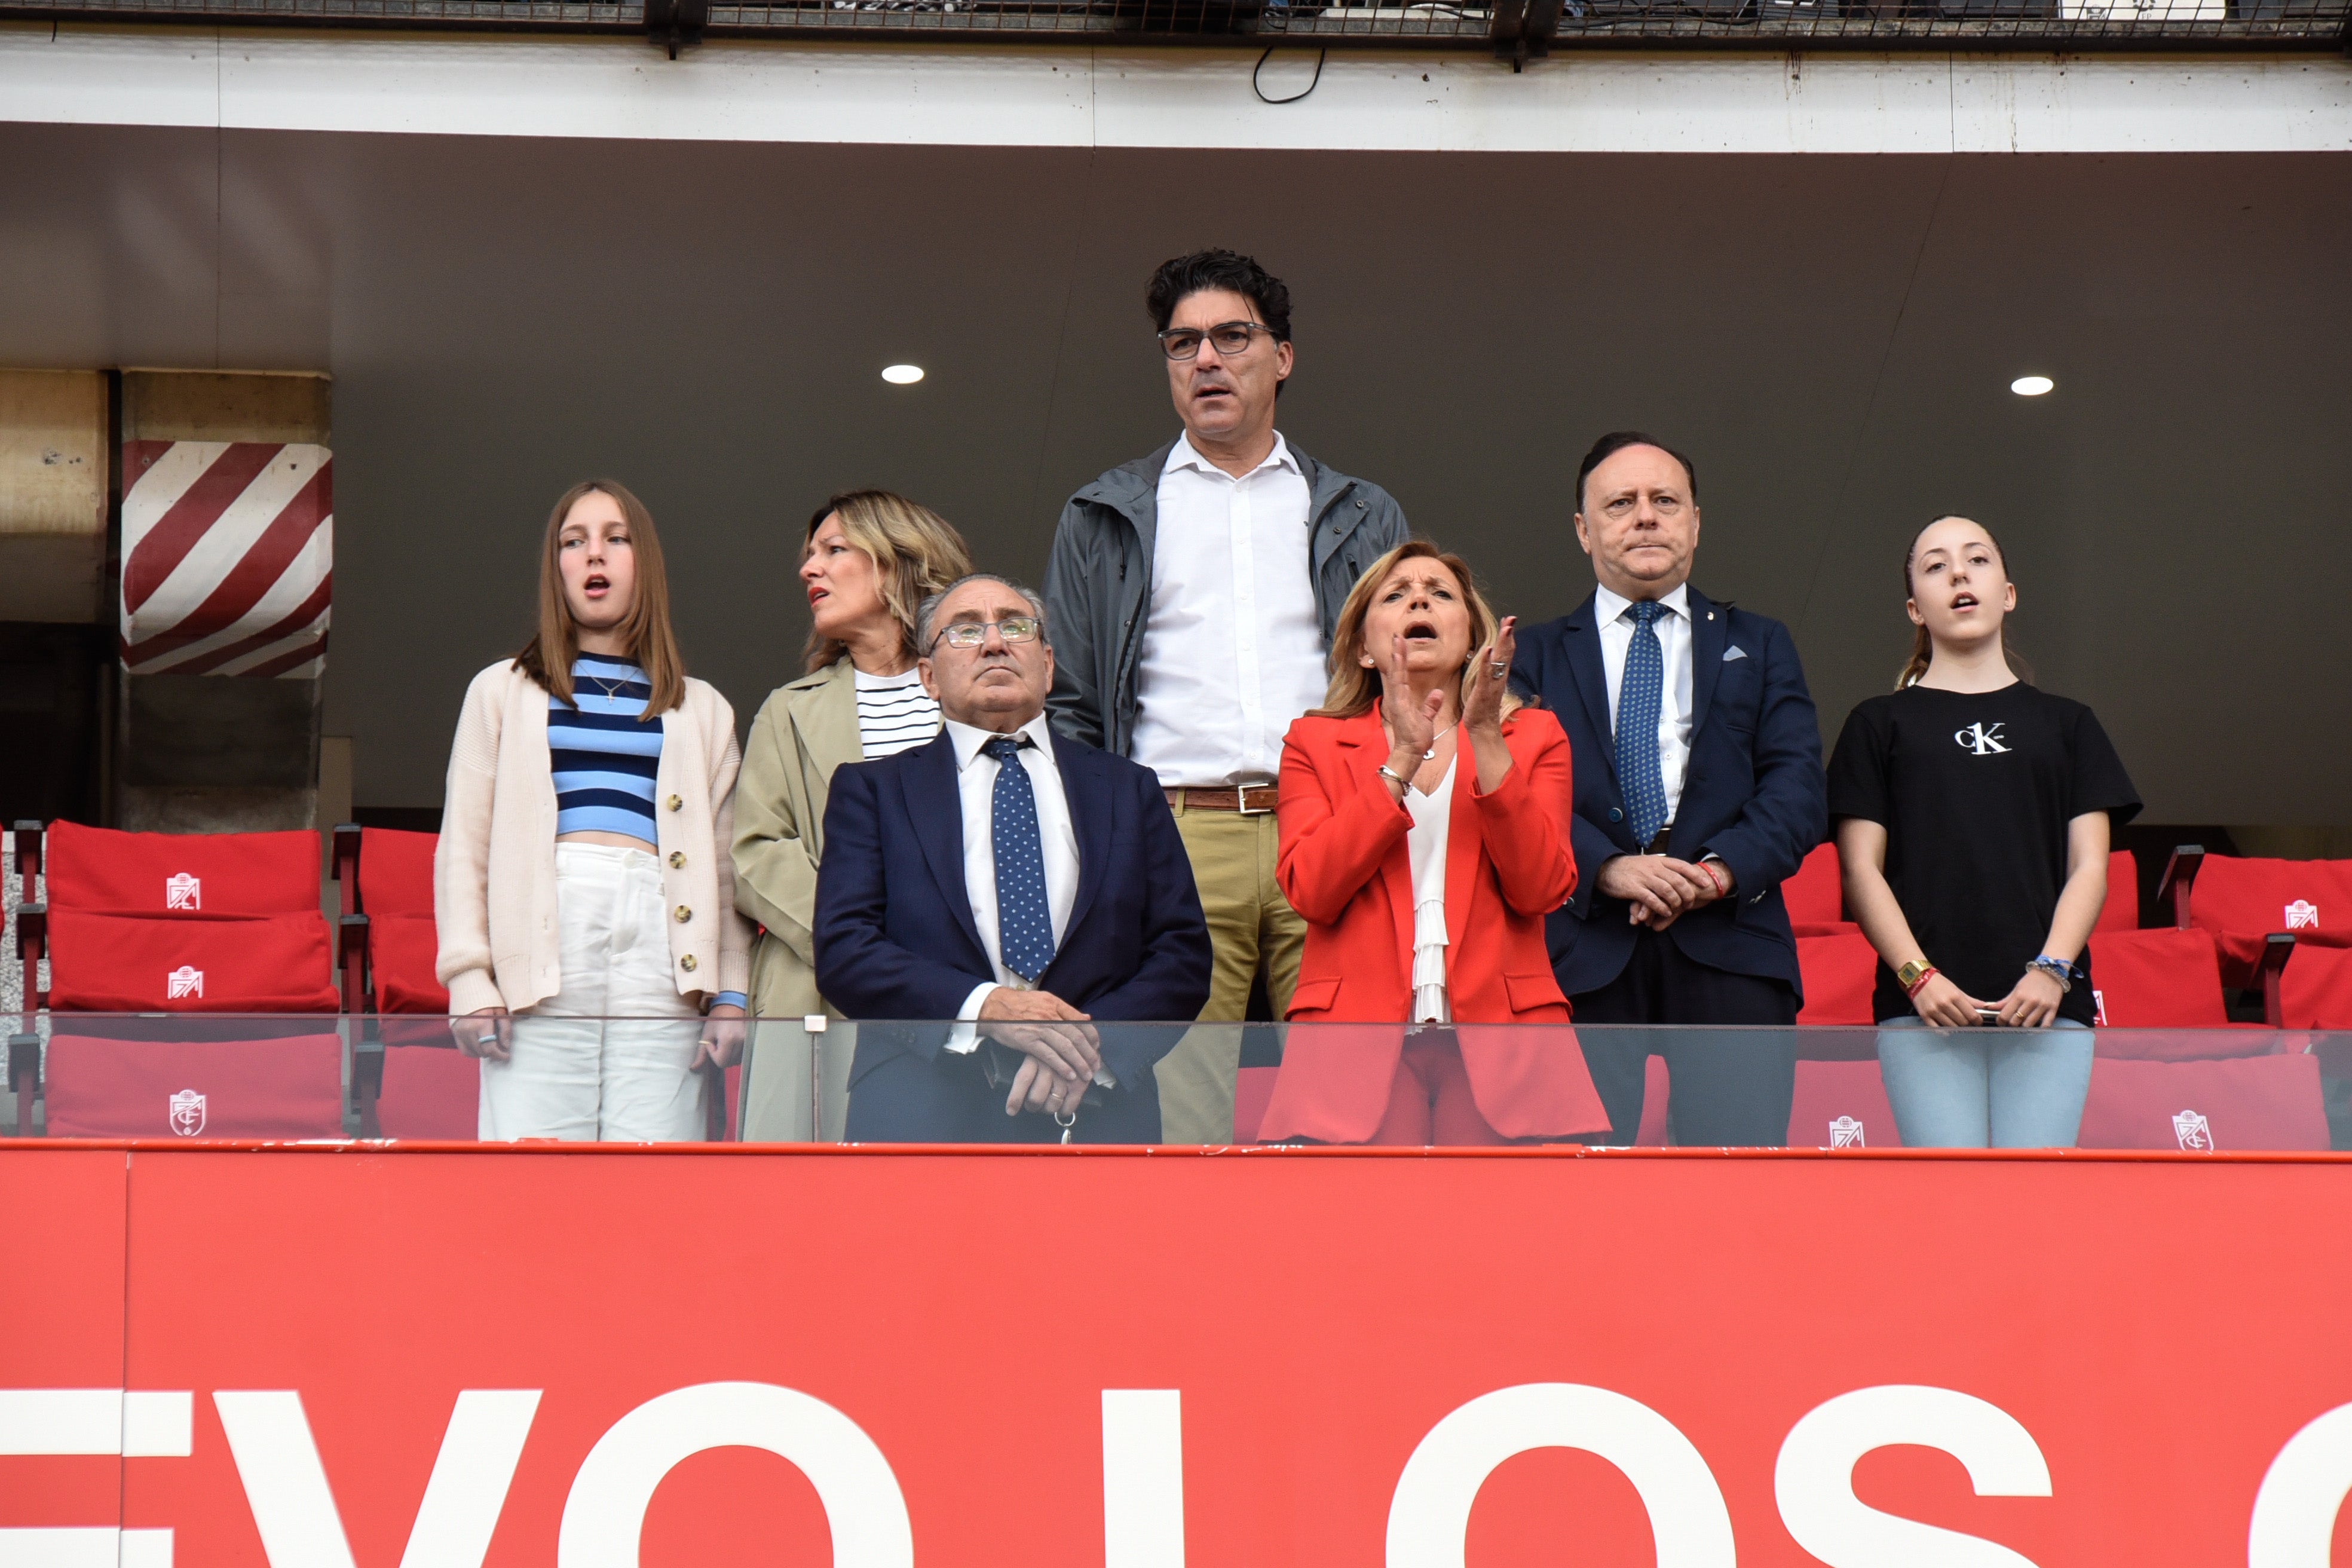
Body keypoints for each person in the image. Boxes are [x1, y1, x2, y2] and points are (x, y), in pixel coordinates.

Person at [1042, 247, 1410, 1144]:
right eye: (1182, 344)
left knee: (1352, 1114)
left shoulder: (1363, 512)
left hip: (1333, 825)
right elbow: (1073, 704)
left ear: (1281, 356)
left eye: (1231, 337)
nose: (1206, 359)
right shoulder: (1105, 513)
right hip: (1172, 831)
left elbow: (1407, 683)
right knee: (1180, 1127)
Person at [813, 574, 1214, 1143]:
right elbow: (846, 950)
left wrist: (1084, 1054)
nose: (995, 642)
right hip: (919, 1109)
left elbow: (1181, 954)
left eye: (1016, 625)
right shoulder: (872, 791)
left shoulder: (1128, 788)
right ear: (928, 676)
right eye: (965, 630)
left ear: (1048, 666)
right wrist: (989, 1008)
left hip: (1093, 1109)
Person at [1511, 431, 1826, 1146]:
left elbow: (1798, 786)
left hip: (1733, 942)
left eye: (1665, 501)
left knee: (1738, 1198)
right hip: (1580, 946)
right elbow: (1517, 795)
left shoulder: (1763, 641)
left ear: (1695, 522)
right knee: (1581, 1206)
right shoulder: (1527, 657)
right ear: (1584, 530)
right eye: (1621, 503)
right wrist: (1608, 868)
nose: (1646, 517)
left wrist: (1714, 874)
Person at [1259, 543, 1610, 1146]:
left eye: (1440, 592)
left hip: (1505, 1045)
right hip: (1355, 1048)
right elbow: (1311, 891)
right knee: (1366, 1236)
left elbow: (1542, 888)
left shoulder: (1533, 736)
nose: (1419, 596)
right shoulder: (1313, 742)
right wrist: (1398, 761)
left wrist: (1485, 738)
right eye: (1395, 594)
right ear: (1365, 648)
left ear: (1472, 640)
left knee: (1494, 1236)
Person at [436, 479, 752, 1141]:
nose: (593, 556)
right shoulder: (501, 690)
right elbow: (462, 845)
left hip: (666, 958)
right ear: (557, 568)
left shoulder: (704, 708)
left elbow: (723, 869)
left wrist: (729, 991)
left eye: (615, 538)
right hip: (543, 951)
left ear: (646, 562)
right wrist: (470, 978)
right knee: (534, 1177)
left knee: (656, 1177)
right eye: (573, 542)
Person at [1828, 515, 2140, 1147]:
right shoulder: (1876, 723)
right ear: (1916, 606)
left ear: (2009, 591)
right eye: (1937, 565)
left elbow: (2090, 866)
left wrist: (2051, 969)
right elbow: (1860, 870)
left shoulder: (2069, 724)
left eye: (1977, 559)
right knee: (1948, 1207)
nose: (1960, 574)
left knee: (2037, 1205)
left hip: (2049, 1004)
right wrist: (1918, 975)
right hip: (1923, 1006)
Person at [731, 491, 973, 1022]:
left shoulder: (979, 697)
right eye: (810, 554)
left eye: (833, 549)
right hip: (820, 989)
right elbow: (757, 852)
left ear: (899, 560)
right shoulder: (787, 711)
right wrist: (864, 946)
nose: (808, 569)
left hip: (967, 988)